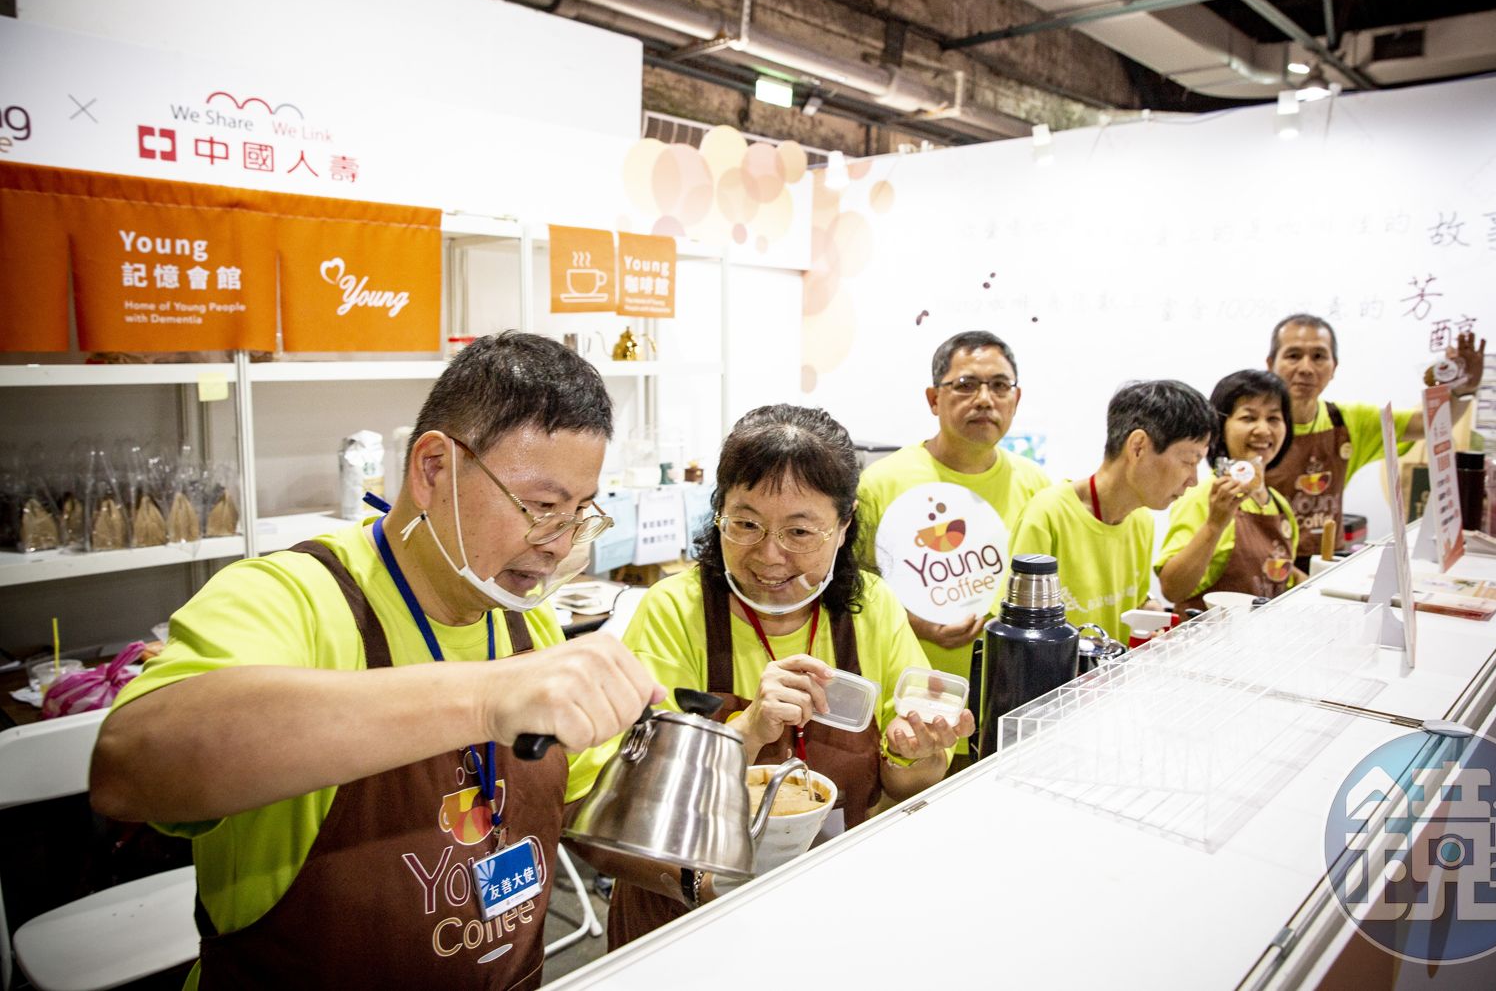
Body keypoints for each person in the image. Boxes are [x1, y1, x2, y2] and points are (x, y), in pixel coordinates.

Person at [89, 333, 663, 990]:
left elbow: (587, 804)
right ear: (433, 470)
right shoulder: (292, 598)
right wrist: (484, 699)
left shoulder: (524, 622)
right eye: (540, 507)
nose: (559, 544)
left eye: (579, 513)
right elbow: (132, 766)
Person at [584, 403, 974, 950]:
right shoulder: (674, 610)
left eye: (799, 531)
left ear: (844, 525)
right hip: (689, 917)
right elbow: (625, 807)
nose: (769, 556)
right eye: (746, 524)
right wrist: (745, 731)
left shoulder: (872, 608)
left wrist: (919, 754)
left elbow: (904, 785)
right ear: (718, 513)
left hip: (831, 907)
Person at [854, 330, 1049, 748]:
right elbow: (849, 593)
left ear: (1016, 398)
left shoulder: (1037, 485)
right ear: (933, 399)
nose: (985, 399)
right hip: (909, 717)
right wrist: (920, 624)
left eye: (1000, 386)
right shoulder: (880, 484)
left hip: (1010, 706)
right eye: (965, 385)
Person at [1265, 313, 1485, 567]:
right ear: (1271, 363)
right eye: (1293, 355)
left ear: (1334, 367)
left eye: (1318, 356)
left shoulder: (1348, 421)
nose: (1305, 368)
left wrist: (1463, 390)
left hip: (1323, 563)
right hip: (1264, 563)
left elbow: (1425, 424)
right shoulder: (1252, 426)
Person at [1010, 380, 1214, 643]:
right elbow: (1020, 634)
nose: (1193, 480)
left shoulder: (1141, 519)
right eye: (1189, 461)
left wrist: (1150, 614)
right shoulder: (1048, 515)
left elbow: (1135, 603)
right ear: (1138, 447)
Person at [1157, 370, 1299, 612]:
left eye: (1274, 418)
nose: (1263, 430)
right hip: (1209, 633)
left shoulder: (1280, 505)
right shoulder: (1203, 496)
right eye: (1248, 418)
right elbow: (1172, 589)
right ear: (1220, 427)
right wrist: (1214, 524)